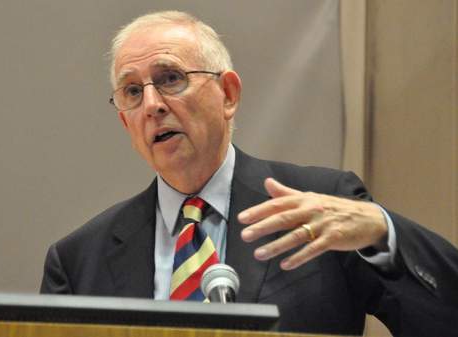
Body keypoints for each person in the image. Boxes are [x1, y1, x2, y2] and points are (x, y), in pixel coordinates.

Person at [40, 11, 458, 336]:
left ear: (228, 94)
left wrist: (383, 233)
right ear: (126, 123)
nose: (152, 104)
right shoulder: (79, 261)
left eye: (170, 78)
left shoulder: (321, 205)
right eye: (133, 91)